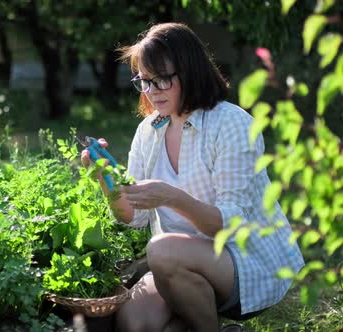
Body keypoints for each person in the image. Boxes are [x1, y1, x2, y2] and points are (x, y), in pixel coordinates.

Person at [80, 22, 305, 332]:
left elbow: (231, 225)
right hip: (175, 264)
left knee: (161, 249)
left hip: (243, 261)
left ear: (189, 71)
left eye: (162, 80)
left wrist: (172, 198)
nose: (151, 91)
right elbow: (133, 217)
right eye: (144, 81)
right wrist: (106, 183)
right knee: (136, 322)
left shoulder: (230, 124)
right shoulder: (149, 131)